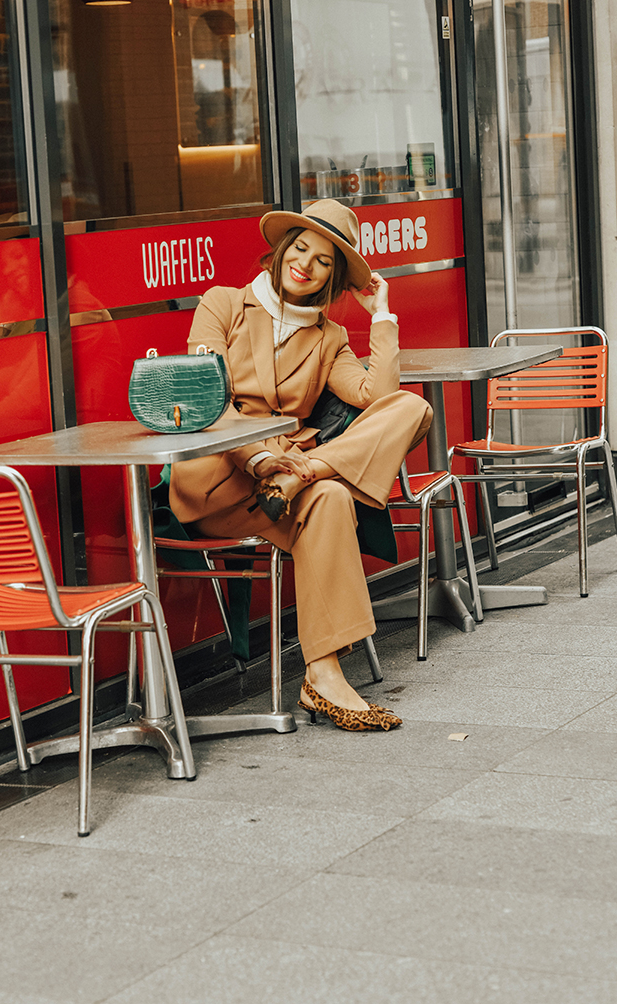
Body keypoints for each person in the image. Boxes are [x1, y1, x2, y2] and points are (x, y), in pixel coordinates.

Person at [169, 199, 432, 731]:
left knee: (412, 409)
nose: (306, 265)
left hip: (284, 485)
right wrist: (262, 457)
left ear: (334, 278)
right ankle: (327, 675)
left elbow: (378, 397)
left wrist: (381, 314)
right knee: (331, 490)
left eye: (324, 261)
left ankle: (324, 676)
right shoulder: (221, 304)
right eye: (301, 249)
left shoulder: (329, 338)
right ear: (282, 249)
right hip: (219, 480)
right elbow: (206, 397)